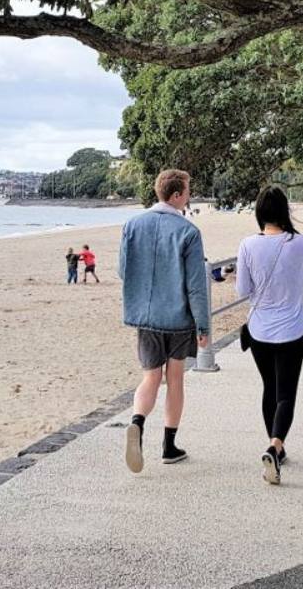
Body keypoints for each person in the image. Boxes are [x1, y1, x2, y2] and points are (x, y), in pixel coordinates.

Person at [119, 169, 209, 472]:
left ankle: (137, 423)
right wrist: (204, 326)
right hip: (178, 318)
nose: (189, 195)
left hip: (146, 317)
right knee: (175, 379)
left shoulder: (132, 225)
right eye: (187, 190)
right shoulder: (188, 232)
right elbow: (196, 285)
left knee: (150, 377)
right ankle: (169, 447)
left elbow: (123, 271)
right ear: (176, 195)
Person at [236, 185, 303, 486]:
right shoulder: (300, 242)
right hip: (292, 326)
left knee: (269, 388)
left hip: (260, 330)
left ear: (259, 213)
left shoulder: (247, 245)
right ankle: (275, 446)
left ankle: (275, 444)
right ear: (284, 212)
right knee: (286, 393)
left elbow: (242, 290)